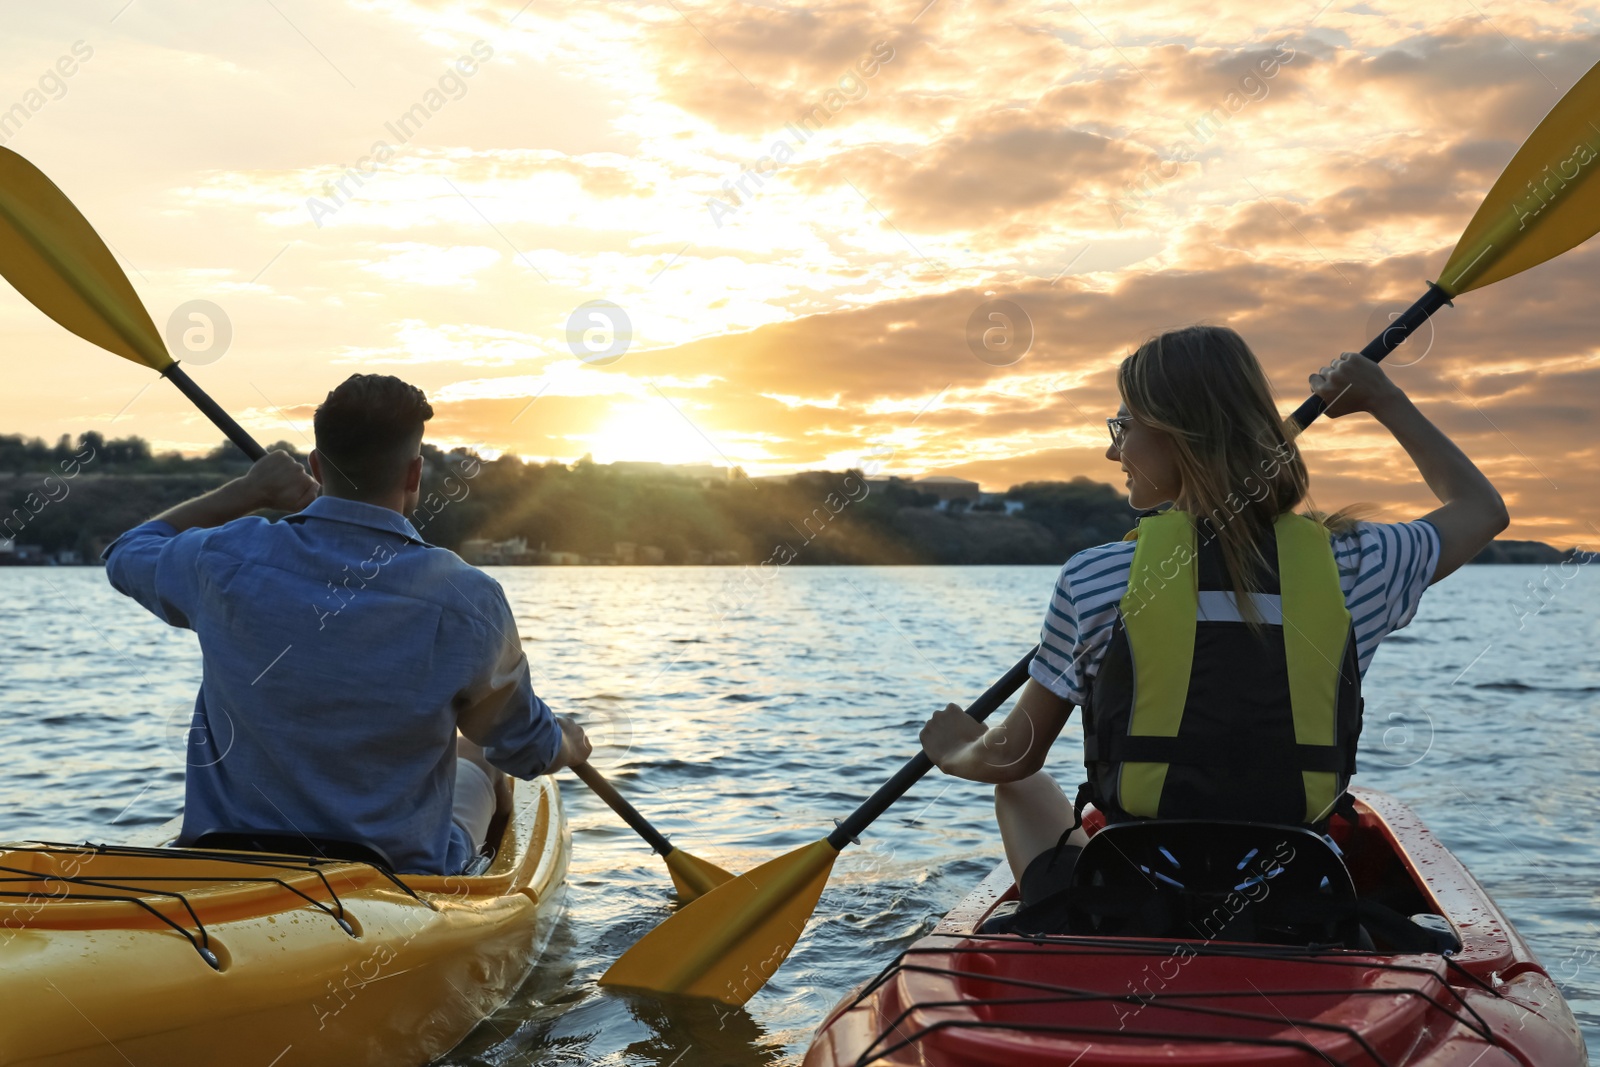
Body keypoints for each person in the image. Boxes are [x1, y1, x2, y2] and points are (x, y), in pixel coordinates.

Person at [918, 325, 1508, 909]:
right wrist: (1383, 398)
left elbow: (1011, 756)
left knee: (1018, 787)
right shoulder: (1360, 563)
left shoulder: (1096, 577)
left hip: (1129, 900)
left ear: (1178, 435)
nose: (1112, 451)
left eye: (1123, 428)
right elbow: (1482, 509)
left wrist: (955, 751)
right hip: (1291, 896)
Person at [103, 373, 590, 875]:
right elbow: (525, 750)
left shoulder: (225, 557)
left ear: (317, 464)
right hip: (392, 880)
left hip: (230, 865)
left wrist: (248, 492)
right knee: (483, 755)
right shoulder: (468, 597)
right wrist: (566, 743)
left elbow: (125, 553)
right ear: (414, 475)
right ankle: (484, 878)